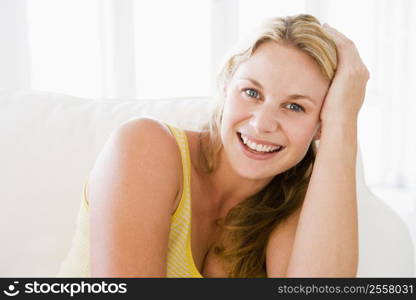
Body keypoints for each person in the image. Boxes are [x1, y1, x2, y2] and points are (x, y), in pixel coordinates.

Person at [57, 14, 369, 278]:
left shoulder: (293, 207)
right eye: (251, 92)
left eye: (295, 107)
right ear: (225, 86)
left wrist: (344, 121)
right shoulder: (145, 147)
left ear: (321, 125)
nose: (262, 123)